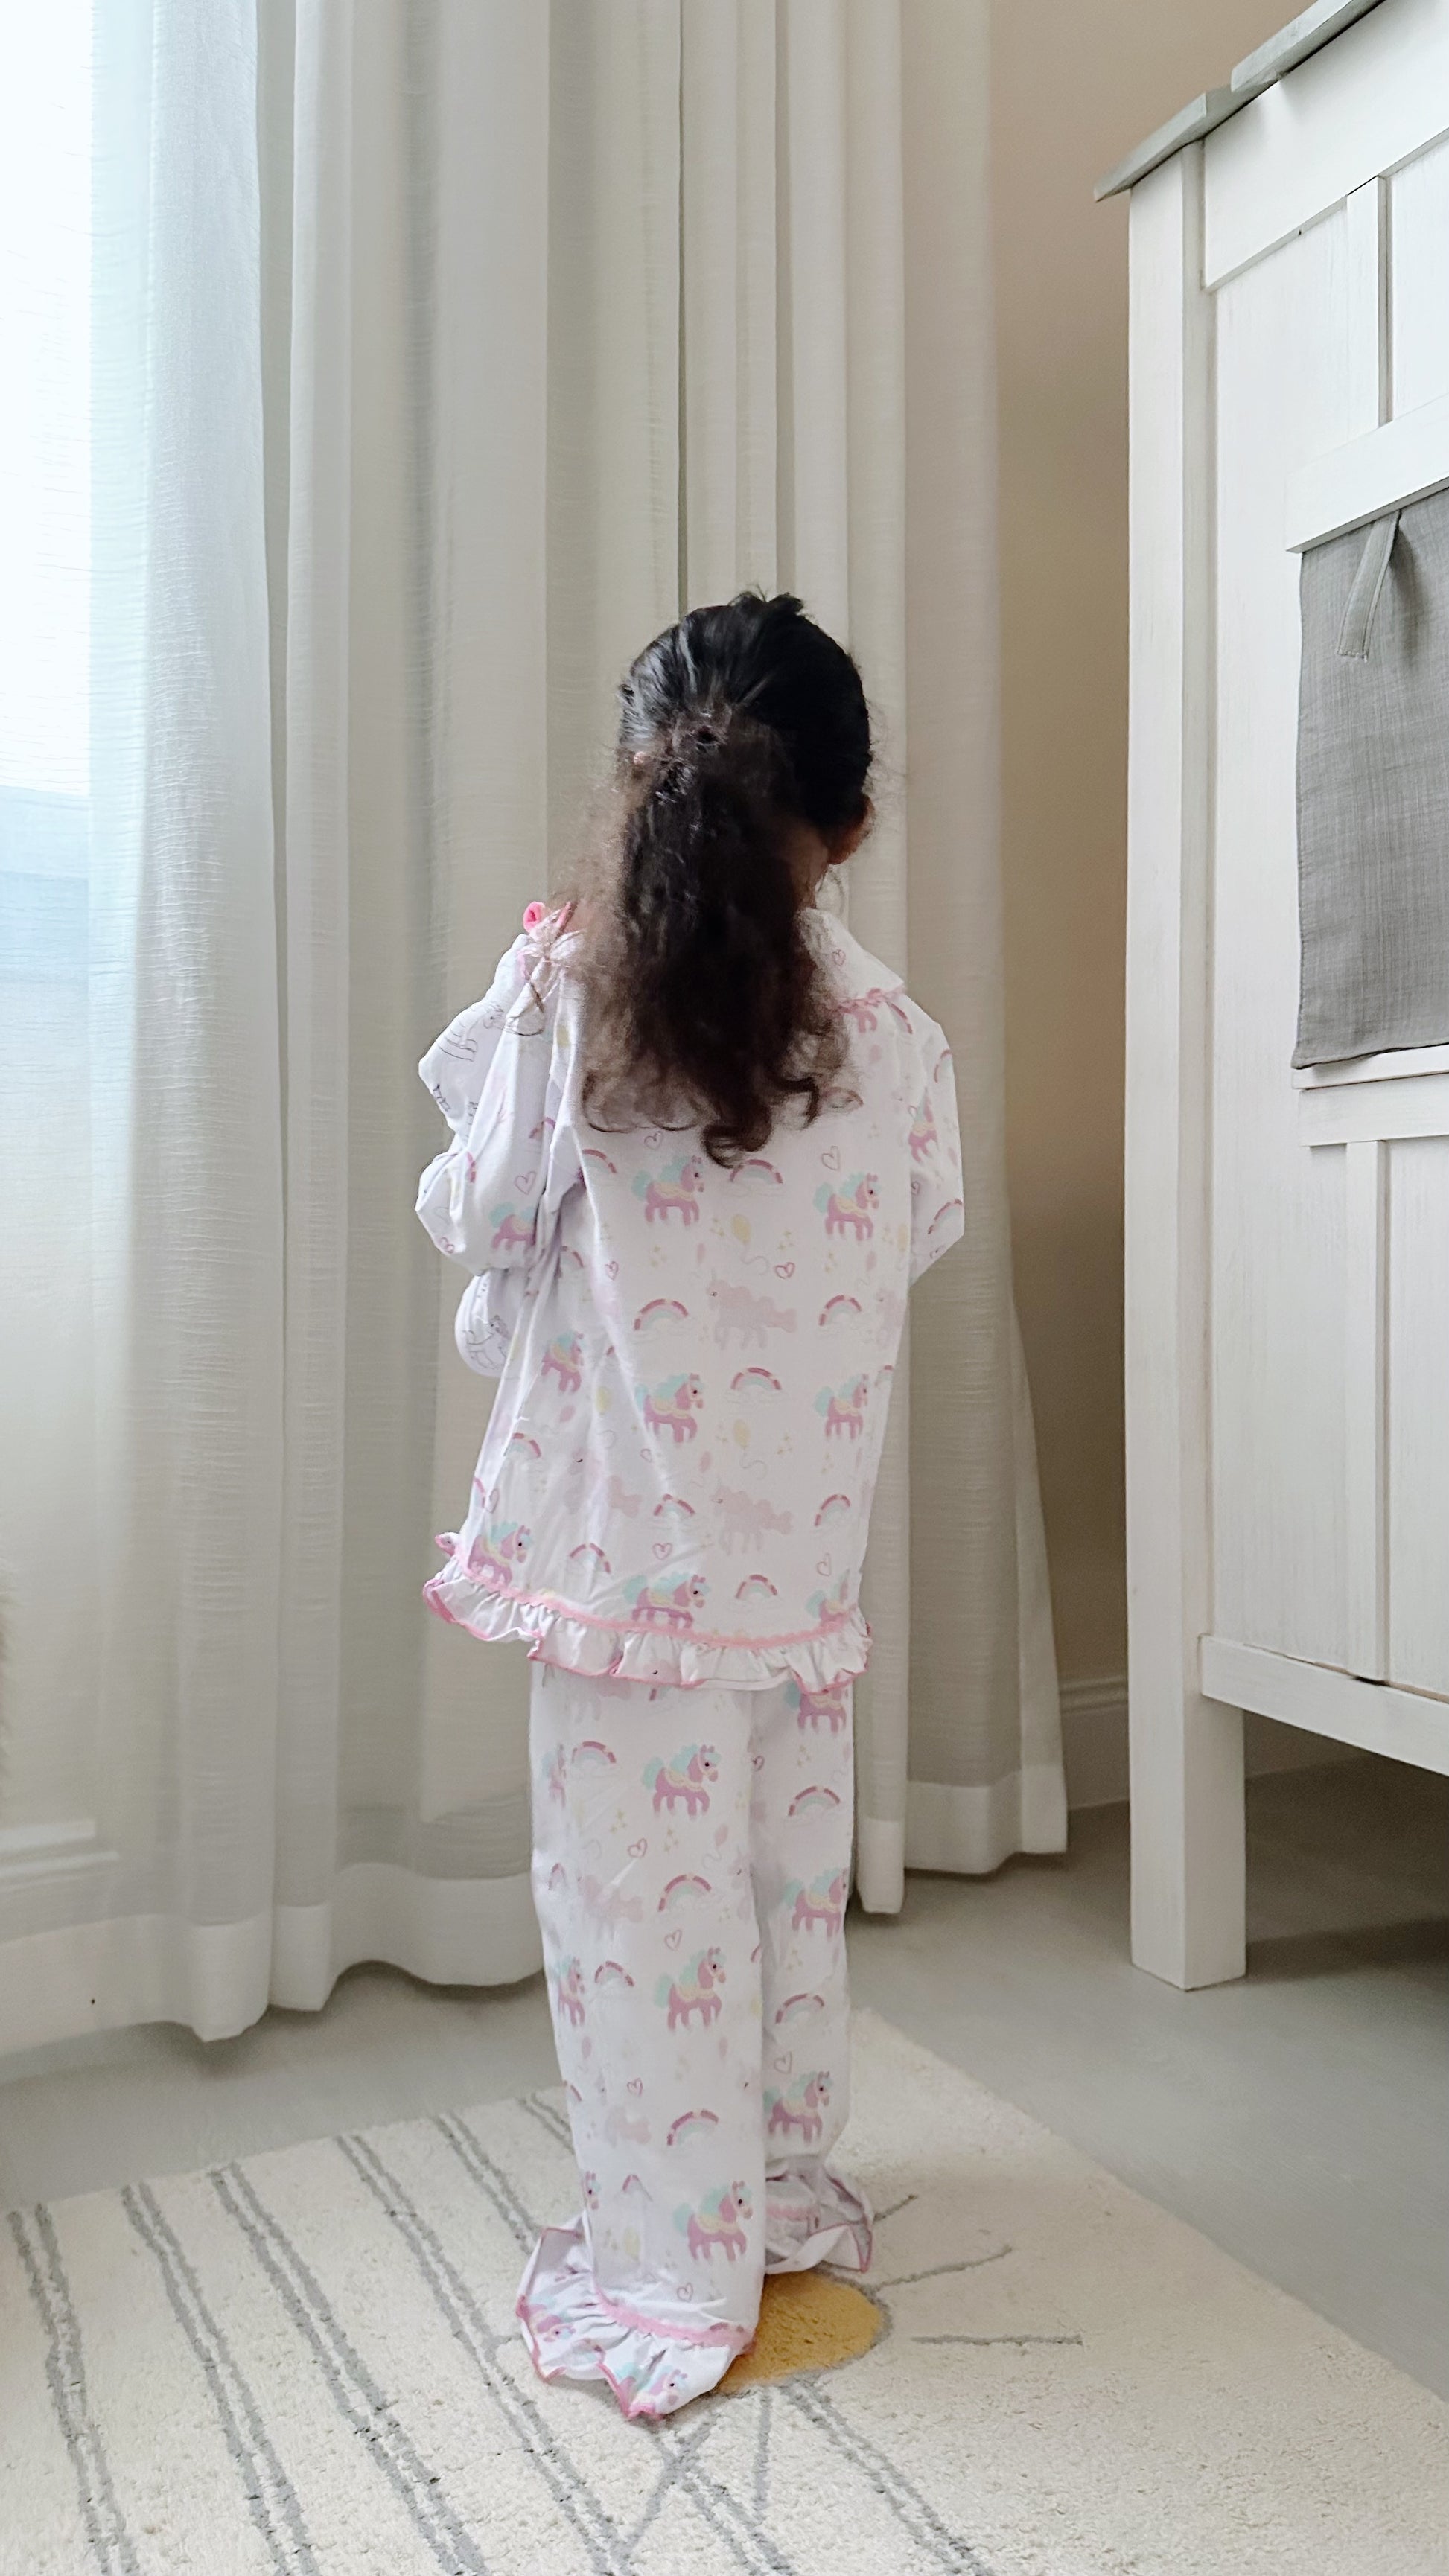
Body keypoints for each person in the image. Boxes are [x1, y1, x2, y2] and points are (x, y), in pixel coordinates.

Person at [416, 591, 964, 2420]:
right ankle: (777, 2192)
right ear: (851, 823)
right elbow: (920, 1231)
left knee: (637, 1911)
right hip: (795, 1560)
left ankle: (670, 2260)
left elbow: (482, 1215)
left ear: (635, 779)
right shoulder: (897, 1037)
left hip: (618, 1564)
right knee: (782, 1892)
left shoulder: (569, 997)